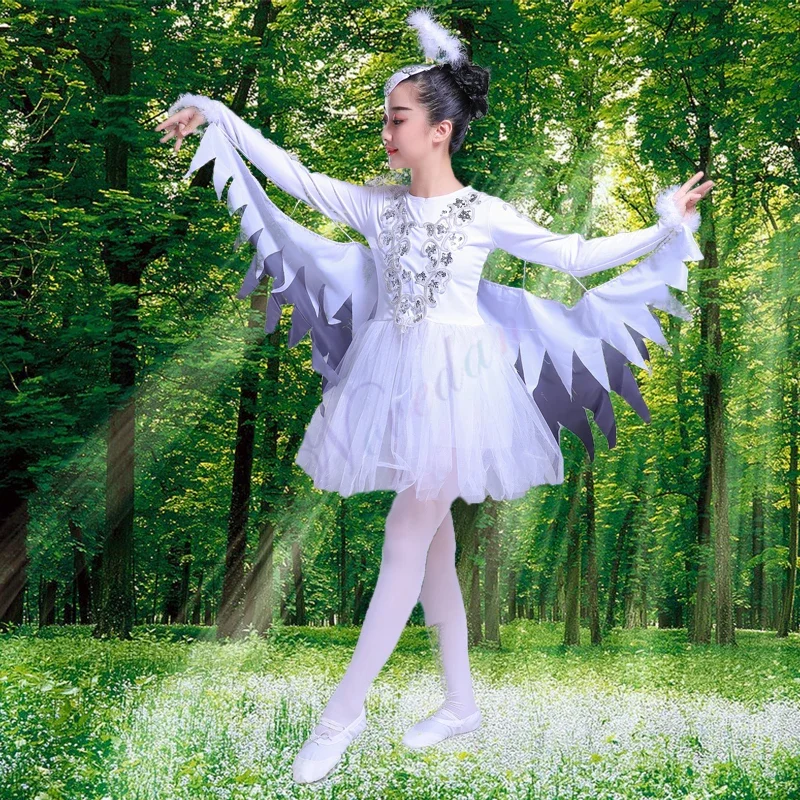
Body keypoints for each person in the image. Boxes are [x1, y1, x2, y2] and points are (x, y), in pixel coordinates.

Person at [155, 8, 712, 785]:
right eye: (386, 120)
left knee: (403, 543)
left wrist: (662, 228)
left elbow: (578, 257)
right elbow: (291, 173)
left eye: (397, 120)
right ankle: (460, 707)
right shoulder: (375, 206)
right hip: (389, 386)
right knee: (436, 556)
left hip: (464, 394)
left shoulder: (482, 214)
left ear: (440, 129)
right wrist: (218, 115)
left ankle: (338, 718)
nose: (386, 134)